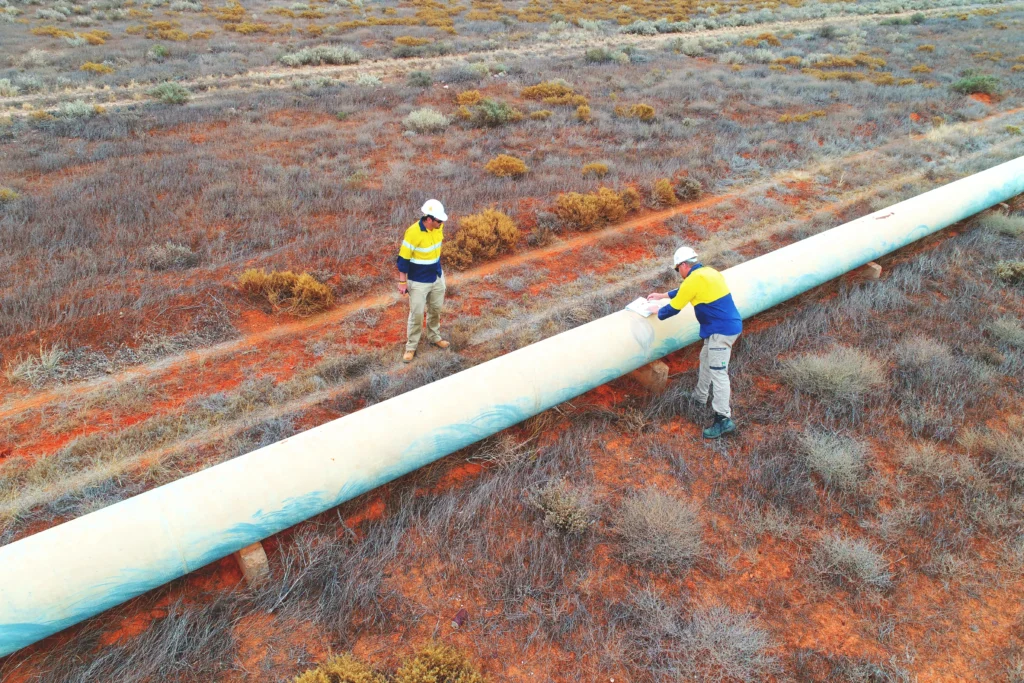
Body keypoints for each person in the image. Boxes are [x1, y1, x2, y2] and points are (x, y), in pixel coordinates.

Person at [647, 246, 743, 439]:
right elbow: (685, 291)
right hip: (724, 327)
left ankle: (723, 419)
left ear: (683, 265)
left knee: (719, 373)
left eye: (677, 269)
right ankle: (699, 398)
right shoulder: (708, 272)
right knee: (705, 359)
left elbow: (673, 309)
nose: (678, 273)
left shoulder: (693, 279)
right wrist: (663, 295)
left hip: (721, 332)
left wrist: (656, 309)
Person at [397, 199, 450, 363]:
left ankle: (434, 336)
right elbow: (403, 259)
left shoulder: (438, 228)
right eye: (438, 220)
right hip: (419, 280)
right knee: (417, 314)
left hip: (436, 276)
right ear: (429, 219)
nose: (441, 223)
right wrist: (402, 282)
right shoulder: (412, 232)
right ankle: (411, 347)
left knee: (435, 309)